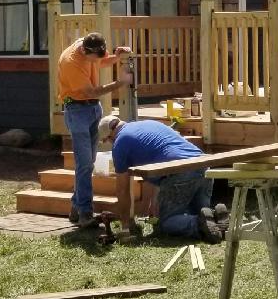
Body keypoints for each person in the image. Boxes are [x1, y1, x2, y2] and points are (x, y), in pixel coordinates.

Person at [98, 116, 225, 243]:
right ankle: (217, 217)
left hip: (180, 172)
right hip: (203, 165)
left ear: (110, 137)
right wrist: (154, 201)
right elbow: (160, 157)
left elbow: (122, 190)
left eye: (107, 141)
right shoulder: (149, 124)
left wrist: (125, 226)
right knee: (201, 212)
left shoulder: (120, 143)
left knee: (167, 222)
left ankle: (198, 225)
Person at [55, 32, 130, 227]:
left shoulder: (88, 47)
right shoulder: (71, 62)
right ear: (85, 52)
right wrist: (120, 83)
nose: (98, 59)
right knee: (85, 164)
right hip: (77, 111)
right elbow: (91, 91)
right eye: (96, 56)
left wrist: (116, 56)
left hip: (93, 108)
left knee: (89, 162)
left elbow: (101, 61)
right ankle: (85, 214)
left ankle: (75, 207)